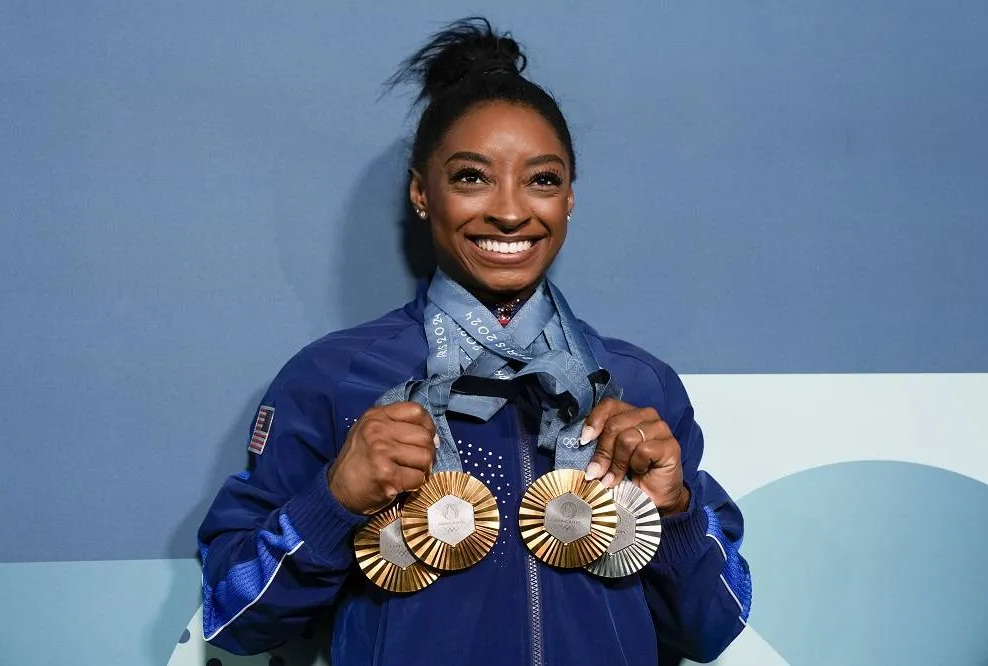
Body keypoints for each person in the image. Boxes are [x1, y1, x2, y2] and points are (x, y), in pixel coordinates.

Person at [198, 17, 751, 666]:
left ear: (569, 199)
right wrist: (333, 502)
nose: (510, 211)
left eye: (542, 180)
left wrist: (676, 511)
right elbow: (231, 613)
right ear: (421, 193)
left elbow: (715, 628)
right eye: (471, 177)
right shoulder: (334, 377)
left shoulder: (638, 384)